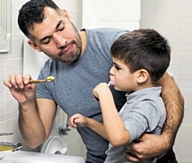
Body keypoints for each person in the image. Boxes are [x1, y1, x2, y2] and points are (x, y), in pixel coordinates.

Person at [3, 0, 184, 163]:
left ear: (67, 16)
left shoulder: (115, 44)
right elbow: (35, 140)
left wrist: (165, 140)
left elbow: (171, 90)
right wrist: (26, 103)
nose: (61, 41)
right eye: (47, 40)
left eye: (61, 27)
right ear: (35, 46)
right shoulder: (48, 77)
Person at [70, 29, 170, 163]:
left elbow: (118, 138)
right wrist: (88, 122)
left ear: (141, 76)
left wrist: (106, 96)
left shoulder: (148, 105)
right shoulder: (136, 98)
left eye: (117, 67)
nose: (111, 72)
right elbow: (115, 134)